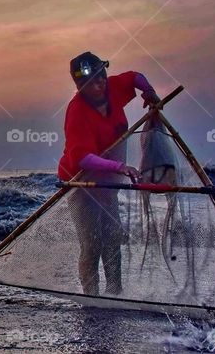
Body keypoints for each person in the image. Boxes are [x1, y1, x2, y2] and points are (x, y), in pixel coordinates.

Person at [57, 52, 160, 296]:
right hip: (80, 180)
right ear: (80, 86)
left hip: (107, 182)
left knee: (112, 236)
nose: (99, 83)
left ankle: (115, 292)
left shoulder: (113, 88)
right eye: (91, 81)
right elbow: (82, 158)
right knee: (91, 242)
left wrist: (149, 92)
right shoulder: (77, 111)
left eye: (101, 75)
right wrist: (120, 168)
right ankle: (91, 295)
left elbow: (135, 77)